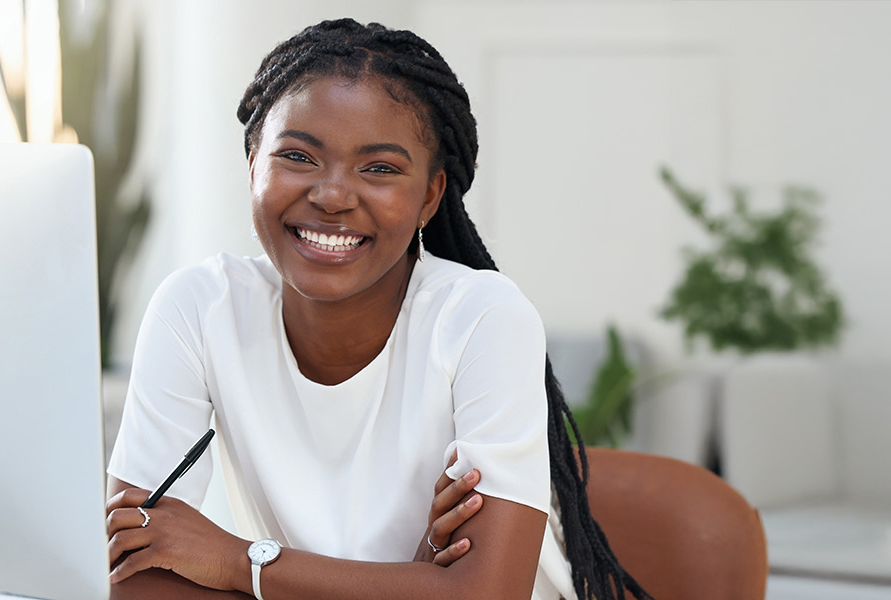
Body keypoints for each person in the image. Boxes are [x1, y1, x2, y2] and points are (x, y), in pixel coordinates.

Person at [102, 18, 649, 600]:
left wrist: (242, 562)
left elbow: (485, 593)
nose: (333, 195)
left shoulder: (484, 318)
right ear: (253, 163)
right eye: (298, 156)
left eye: (380, 168)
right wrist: (410, 586)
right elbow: (141, 581)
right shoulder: (197, 309)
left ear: (430, 196)